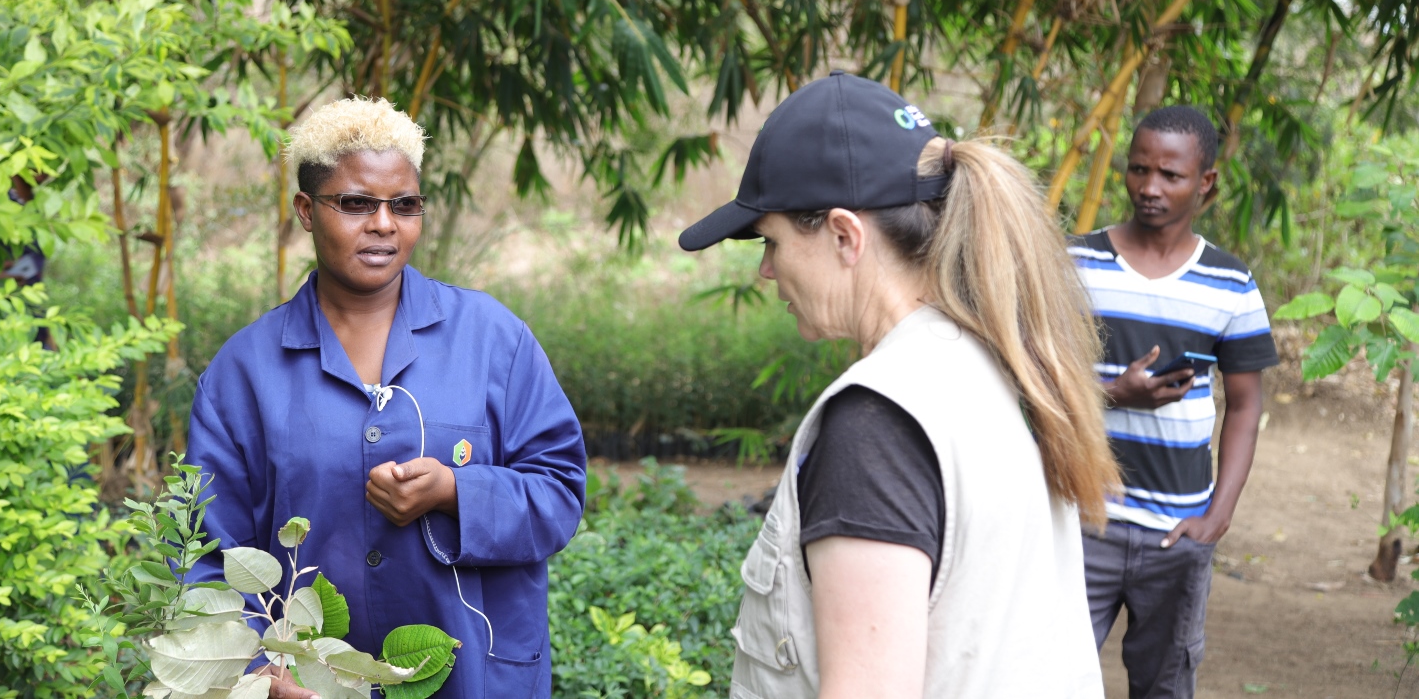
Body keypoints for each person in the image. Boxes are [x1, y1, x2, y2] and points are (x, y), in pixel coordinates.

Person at [678, 72, 1118, 698]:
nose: (765, 269)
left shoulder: (877, 425)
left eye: (771, 241)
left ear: (843, 236)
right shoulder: (985, 367)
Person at [186, 97, 587, 699]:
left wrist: (456, 491)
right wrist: (258, 675)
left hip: (474, 678)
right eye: (355, 203)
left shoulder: (492, 339)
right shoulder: (244, 372)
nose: (383, 223)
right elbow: (206, 553)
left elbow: (559, 492)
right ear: (305, 210)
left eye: (404, 205)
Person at [1069, 105, 1279, 697]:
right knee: (1049, 677)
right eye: (1138, 170)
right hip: (1083, 521)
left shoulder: (1230, 284)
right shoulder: (1074, 263)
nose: (1149, 187)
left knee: (1164, 687)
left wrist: (1218, 515)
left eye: (1169, 175)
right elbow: (1036, 384)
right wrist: (1115, 393)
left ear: (1205, 181)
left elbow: (1244, 407)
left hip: (1176, 536)